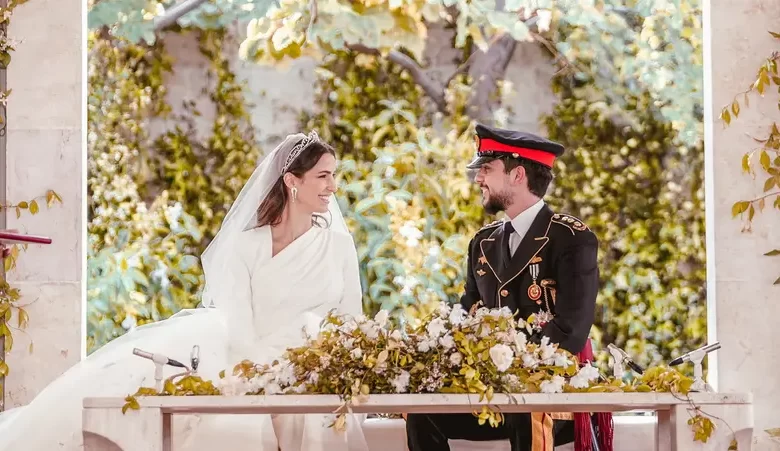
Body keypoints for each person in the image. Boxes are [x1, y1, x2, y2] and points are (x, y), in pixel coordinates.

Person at [0, 131, 369, 451]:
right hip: (249, 363)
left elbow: (351, 322)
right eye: (323, 176)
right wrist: (269, 377)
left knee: (315, 416)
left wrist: (315, 370)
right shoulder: (247, 247)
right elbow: (240, 326)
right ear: (291, 181)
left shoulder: (339, 247)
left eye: (333, 175)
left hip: (314, 374)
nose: (333, 186)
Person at [405, 124, 612, 451]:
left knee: (527, 410)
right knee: (421, 411)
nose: (478, 178)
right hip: (494, 389)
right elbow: (467, 315)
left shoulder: (571, 238)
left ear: (518, 175)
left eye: (487, 169)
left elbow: (571, 331)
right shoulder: (483, 242)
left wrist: (514, 370)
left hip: (554, 389)